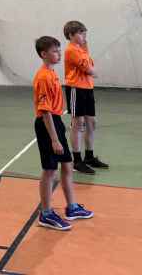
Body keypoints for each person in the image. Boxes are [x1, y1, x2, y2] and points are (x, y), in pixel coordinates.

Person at [33, 35, 94, 230]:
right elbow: (45, 112)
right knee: (49, 170)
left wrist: (60, 128)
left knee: (67, 165)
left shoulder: (52, 73)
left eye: (59, 50)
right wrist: (54, 139)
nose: (59, 54)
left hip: (56, 121)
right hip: (47, 125)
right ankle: (46, 213)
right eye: (54, 51)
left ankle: (71, 207)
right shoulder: (43, 77)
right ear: (44, 54)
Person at [64, 20, 109, 175]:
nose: (84, 36)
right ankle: (77, 160)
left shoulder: (81, 49)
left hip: (87, 88)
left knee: (91, 122)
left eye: (84, 33)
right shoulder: (72, 50)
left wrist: (84, 44)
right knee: (78, 123)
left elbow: (90, 64)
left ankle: (89, 156)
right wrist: (94, 71)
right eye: (80, 33)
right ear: (71, 35)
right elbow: (90, 70)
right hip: (76, 89)